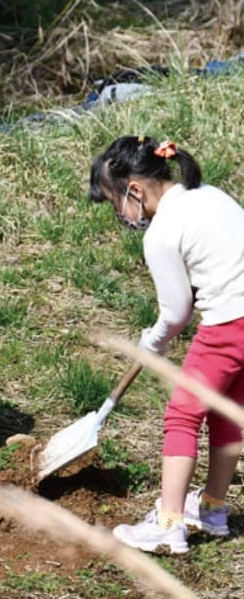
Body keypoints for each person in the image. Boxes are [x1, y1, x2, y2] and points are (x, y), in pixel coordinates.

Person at [89, 135, 244, 554]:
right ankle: (212, 509)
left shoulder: (161, 233)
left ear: (134, 190)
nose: (119, 215)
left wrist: (151, 343)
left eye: (115, 203)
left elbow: (176, 313)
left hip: (230, 324)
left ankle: (169, 523)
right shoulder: (209, 195)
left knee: (182, 416)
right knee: (227, 411)